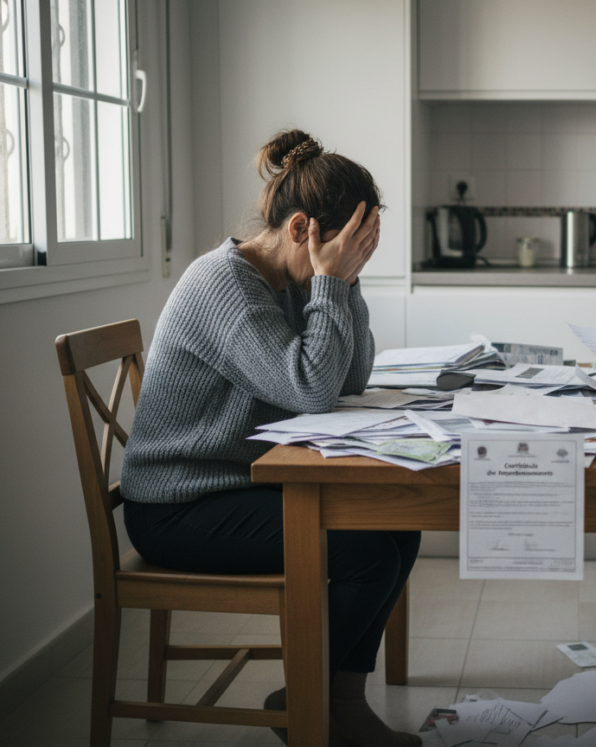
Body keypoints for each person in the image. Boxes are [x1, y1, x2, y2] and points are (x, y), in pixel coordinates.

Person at [121, 130, 422, 747]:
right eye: (348, 245)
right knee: (367, 554)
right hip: (179, 504)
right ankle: (307, 701)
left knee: (400, 520)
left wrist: (346, 282)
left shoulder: (291, 280)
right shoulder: (223, 286)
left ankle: (342, 704)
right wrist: (332, 285)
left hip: (236, 483)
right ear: (300, 230)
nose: (351, 260)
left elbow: (350, 378)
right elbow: (312, 389)